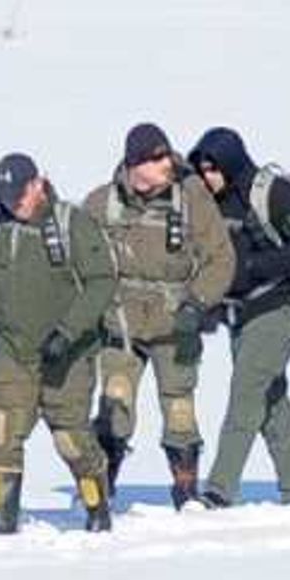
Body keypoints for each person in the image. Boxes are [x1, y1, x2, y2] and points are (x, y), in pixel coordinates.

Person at [0, 151, 114, 535]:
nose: (15, 205)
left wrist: (67, 332)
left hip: (68, 354)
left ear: (38, 184)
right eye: (7, 198)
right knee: (0, 431)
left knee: (69, 437)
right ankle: (1, 520)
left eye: (20, 196)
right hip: (12, 351)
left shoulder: (72, 223)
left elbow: (102, 282)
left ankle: (97, 506)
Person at [81, 122, 235, 509]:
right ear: (135, 164)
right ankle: (102, 488)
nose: (167, 163)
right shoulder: (102, 203)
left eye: (167, 155)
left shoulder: (192, 198)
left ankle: (186, 491)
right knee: (115, 404)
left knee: (179, 409)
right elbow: (78, 261)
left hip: (175, 323)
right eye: (156, 158)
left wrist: (197, 303)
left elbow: (221, 259)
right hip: (122, 326)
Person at [189, 127, 290, 507]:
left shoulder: (273, 192)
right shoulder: (209, 206)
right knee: (269, 396)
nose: (206, 176)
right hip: (240, 312)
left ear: (231, 163)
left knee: (246, 391)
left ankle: (220, 488)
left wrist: (255, 266)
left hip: (281, 301)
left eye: (213, 168)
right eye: (201, 169)